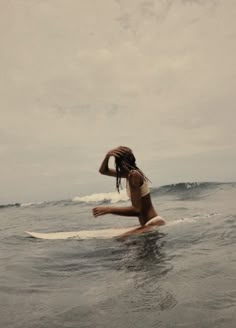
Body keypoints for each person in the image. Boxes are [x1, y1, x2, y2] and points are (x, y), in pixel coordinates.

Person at [92, 146, 165, 236]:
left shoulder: (134, 175)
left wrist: (109, 209)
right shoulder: (128, 174)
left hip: (153, 222)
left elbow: (136, 210)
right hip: (148, 223)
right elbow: (103, 171)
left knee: (122, 239)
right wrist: (107, 156)